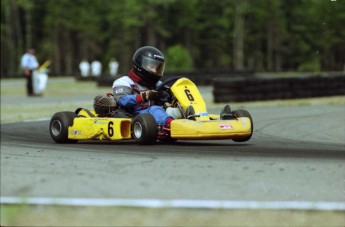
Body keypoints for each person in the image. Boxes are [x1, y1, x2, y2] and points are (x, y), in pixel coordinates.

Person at [112, 46, 173, 131]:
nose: (155, 71)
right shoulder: (124, 82)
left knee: (173, 109)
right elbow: (123, 100)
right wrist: (144, 97)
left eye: (158, 67)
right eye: (152, 66)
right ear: (139, 65)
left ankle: (192, 119)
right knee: (154, 109)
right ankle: (173, 125)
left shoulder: (158, 84)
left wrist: (170, 96)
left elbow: (168, 97)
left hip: (152, 116)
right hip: (133, 114)